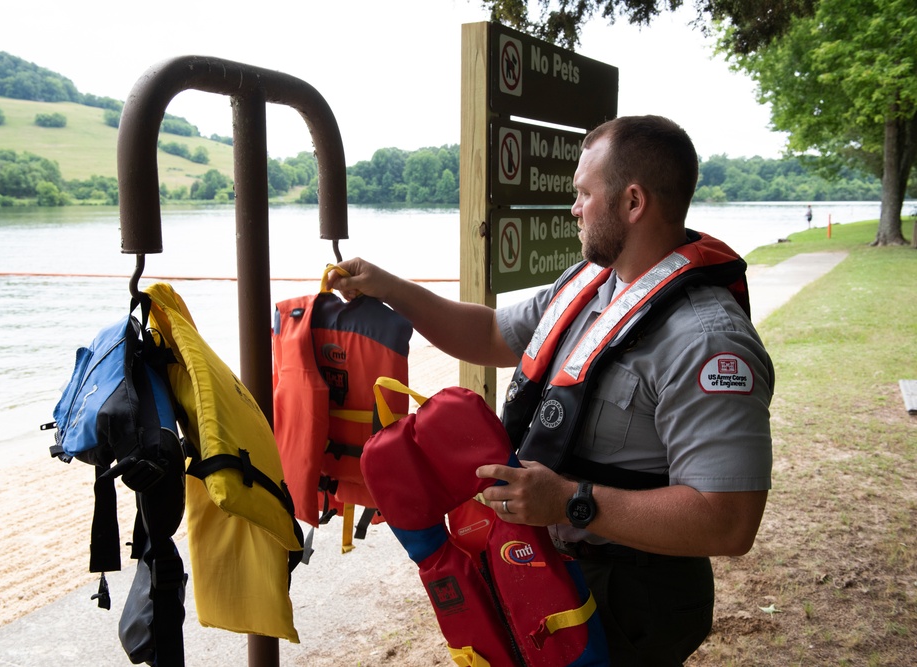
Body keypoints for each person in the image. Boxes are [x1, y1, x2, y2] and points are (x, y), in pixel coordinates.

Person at [327, 115, 773, 666]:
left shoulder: (707, 342)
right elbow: (489, 332)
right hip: (547, 565)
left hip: (634, 596)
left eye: (584, 193)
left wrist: (569, 502)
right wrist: (389, 288)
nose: (574, 209)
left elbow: (729, 521)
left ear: (633, 202)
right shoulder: (589, 284)